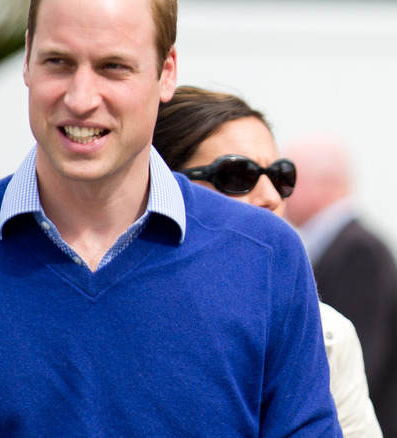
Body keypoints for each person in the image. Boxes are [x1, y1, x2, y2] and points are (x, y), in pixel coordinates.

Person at [0, 0, 339, 436]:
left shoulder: (265, 258)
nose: (80, 98)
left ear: (166, 71)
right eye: (58, 62)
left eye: (113, 66)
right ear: (27, 60)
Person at [153, 85, 383, 438]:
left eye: (280, 177)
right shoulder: (122, 311)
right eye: (237, 176)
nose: (271, 196)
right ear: (164, 187)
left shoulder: (328, 335)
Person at [285, 136, 397, 438]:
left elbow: (356, 363)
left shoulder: (359, 254)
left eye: (289, 179)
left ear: (325, 185)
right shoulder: (349, 247)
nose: (277, 192)